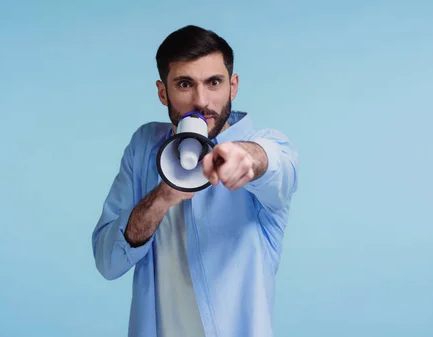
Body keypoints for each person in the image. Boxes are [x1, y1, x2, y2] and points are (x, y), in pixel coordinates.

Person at [91, 25, 299, 337]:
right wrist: (160, 198)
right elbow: (108, 262)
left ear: (233, 86)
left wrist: (247, 157)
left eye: (214, 82)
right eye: (185, 84)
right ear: (163, 92)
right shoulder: (144, 146)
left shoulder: (265, 144)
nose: (201, 101)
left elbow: (276, 166)